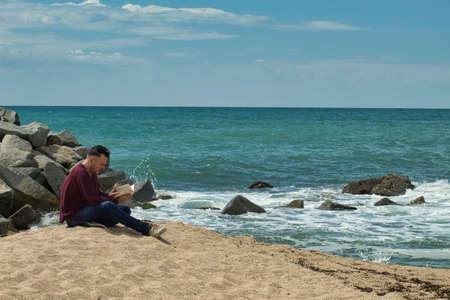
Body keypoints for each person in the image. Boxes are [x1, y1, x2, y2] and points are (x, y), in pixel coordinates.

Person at [59, 145, 166, 237]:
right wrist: (115, 200)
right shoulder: (81, 173)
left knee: (125, 210)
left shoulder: (91, 172)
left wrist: (113, 195)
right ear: (91, 160)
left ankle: (93, 222)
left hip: (85, 209)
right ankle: (146, 229)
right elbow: (93, 200)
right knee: (109, 206)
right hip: (74, 217)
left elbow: (97, 194)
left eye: (105, 165)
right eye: (101, 164)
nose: (103, 168)